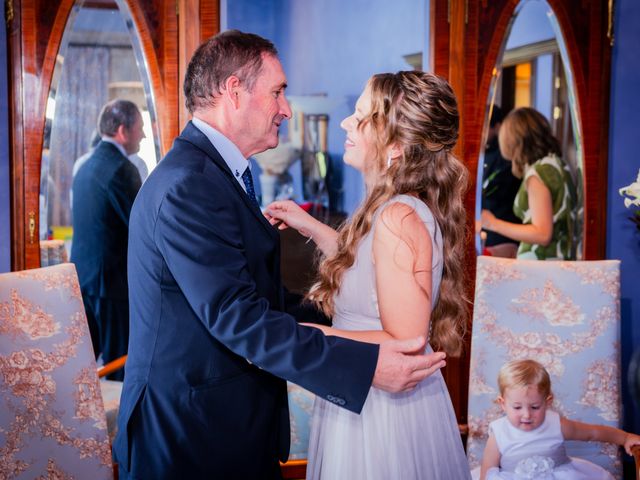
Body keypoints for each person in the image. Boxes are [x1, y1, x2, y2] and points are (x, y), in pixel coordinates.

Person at [113, 30, 446, 479]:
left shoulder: (217, 174)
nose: (287, 109)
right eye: (278, 93)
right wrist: (359, 359)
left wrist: (338, 320)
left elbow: (257, 295)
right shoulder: (189, 185)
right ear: (234, 92)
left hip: (224, 422)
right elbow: (238, 315)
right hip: (189, 432)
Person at [266, 71, 471, 479]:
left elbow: (406, 341)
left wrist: (313, 334)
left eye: (360, 117)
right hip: (367, 391)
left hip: (383, 411)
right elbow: (365, 269)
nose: (345, 123)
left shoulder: (397, 216)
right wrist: (310, 226)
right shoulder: (392, 209)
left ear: (395, 146)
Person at [70, 99, 144, 380]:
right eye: (140, 128)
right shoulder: (122, 169)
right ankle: (120, 425)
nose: (144, 135)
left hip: (83, 281)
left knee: (86, 372)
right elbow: (143, 228)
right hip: (112, 285)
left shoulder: (85, 166)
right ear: (123, 130)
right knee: (121, 370)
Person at [478, 359, 640, 479]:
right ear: (502, 404)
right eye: (517, 407)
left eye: (535, 407)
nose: (526, 415)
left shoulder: (556, 424)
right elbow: (487, 470)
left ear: (548, 402)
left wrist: (625, 437)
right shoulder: (499, 433)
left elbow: (593, 433)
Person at [480, 107, 577, 260]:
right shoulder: (557, 164)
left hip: (540, 265)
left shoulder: (537, 174)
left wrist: (493, 223)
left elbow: (543, 234)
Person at [480, 105, 521, 258]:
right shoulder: (483, 153)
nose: (481, 134)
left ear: (497, 127)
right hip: (487, 230)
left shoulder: (508, 159)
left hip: (504, 233)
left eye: (485, 128)